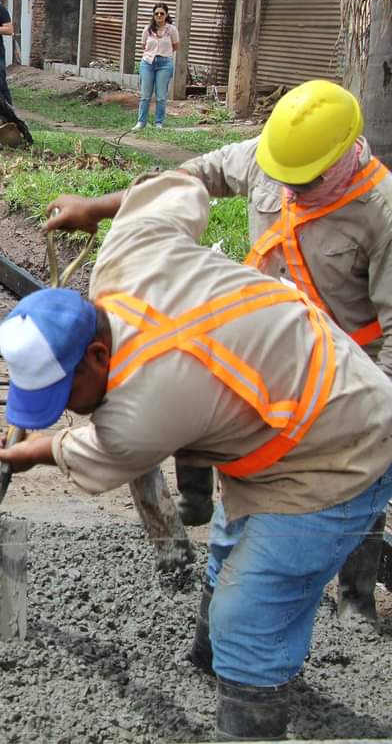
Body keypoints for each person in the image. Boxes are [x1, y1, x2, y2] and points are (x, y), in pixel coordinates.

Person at [0, 171, 392, 741]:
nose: (67, 413)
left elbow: (97, 453)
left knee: (248, 617)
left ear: (99, 355)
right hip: (291, 394)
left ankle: (248, 700)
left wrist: (41, 450)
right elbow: (178, 187)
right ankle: (215, 666)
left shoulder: (143, 409)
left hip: (341, 449)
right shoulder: (126, 253)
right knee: (227, 551)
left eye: (65, 397)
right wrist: (99, 206)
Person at [51, 79, 392, 629]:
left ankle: (354, 595)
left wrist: (376, 414)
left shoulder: (382, 213)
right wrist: (100, 208)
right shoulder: (271, 158)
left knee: (352, 471)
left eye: (305, 184)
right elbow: (189, 178)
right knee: (230, 446)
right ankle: (204, 521)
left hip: (336, 377)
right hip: (252, 354)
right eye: (284, 180)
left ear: (346, 157)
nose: (291, 191)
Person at [133, 2, 180, 131]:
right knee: (145, 95)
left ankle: (159, 122)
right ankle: (141, 122)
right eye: (156, 13)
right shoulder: (148, 29)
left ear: (166, 15)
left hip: (165, 63)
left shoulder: (172, 30)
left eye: (162, 13)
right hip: (148, 63)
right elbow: (144, 45)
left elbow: (176, 46)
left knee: (161, 95)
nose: (159, 16)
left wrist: (164, 54)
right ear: (153, 15)